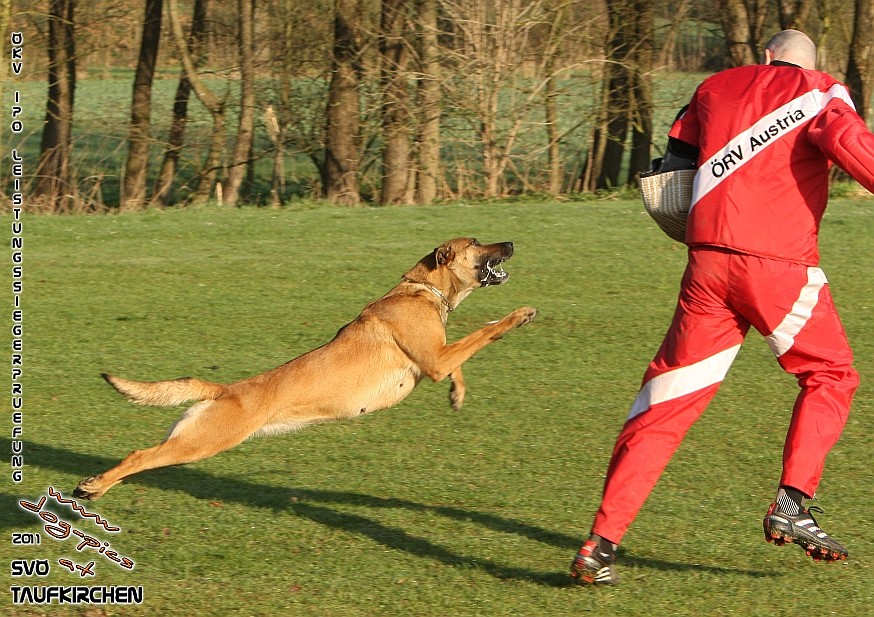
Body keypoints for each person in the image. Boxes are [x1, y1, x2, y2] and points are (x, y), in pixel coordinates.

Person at [570, 29, 874, 585]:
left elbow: (671, 173)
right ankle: (792, 502)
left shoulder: (712, 88)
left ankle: (601, 543)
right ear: (810, 64)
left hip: (707, 265)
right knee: (831, 374)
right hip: (778, 263)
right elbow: (856, 151)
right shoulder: (822, 90)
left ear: (765, 56)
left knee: (665, 400)